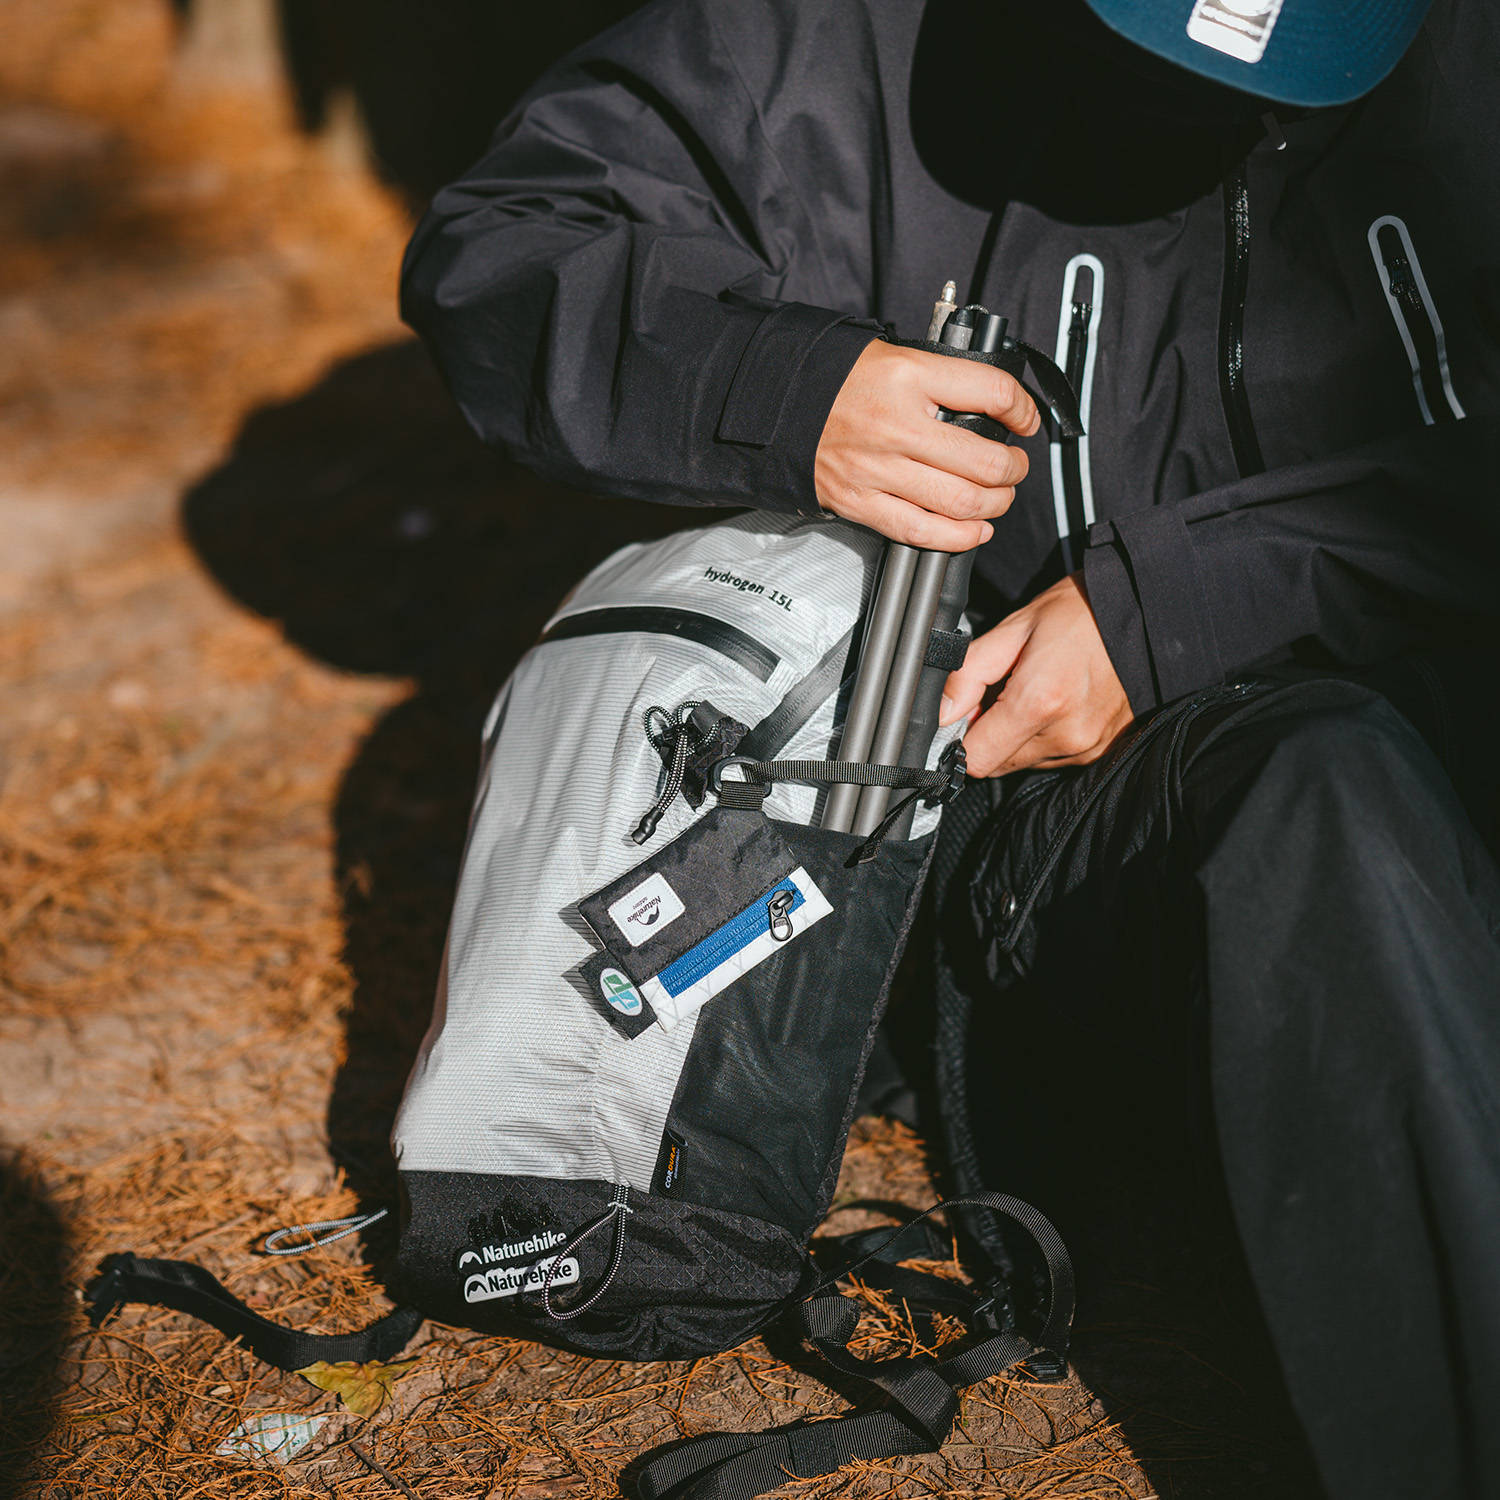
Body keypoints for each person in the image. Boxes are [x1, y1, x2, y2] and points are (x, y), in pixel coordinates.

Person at [399, 0, 1500, 1493]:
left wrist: (1196, 599)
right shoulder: (843, 37)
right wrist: (792, 391)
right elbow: (504, 252)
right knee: (1327, 790)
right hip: (1067, 802)